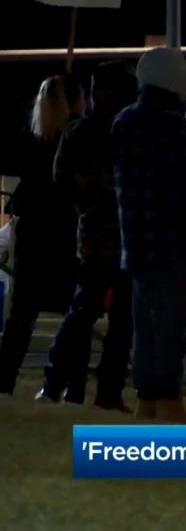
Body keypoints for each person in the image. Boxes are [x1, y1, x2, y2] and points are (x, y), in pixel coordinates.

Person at [112, 47, 186, 421]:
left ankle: (146, 401)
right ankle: (168, 401)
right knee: (173, 327)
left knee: (145, 326)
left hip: (136, 245)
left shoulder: (123, 123)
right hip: (175, 245)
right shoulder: (180, 130)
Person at [38, 62, 139, 409]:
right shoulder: (125, 132)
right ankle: (103, 391)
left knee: (86, 315)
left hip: (100, 236)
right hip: (118, 237)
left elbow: (63, 180)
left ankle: (59, 384)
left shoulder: (84, 132)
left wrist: (88, 202)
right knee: (113, 320)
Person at [0, 76, 83, 396]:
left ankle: (5, 381)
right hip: (63, 237)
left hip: (34, 238)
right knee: (73, 318)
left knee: (21, 318)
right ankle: (69, 387)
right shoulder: (73, 142)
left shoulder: (32, 142)